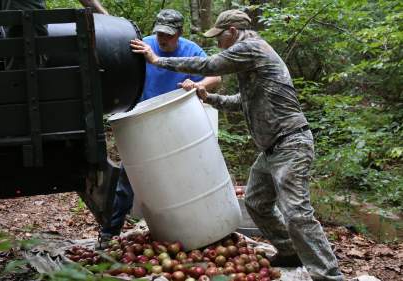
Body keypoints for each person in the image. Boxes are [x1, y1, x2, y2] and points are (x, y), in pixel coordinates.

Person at [130, 9, 344, 281]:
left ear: (232, 31)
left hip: (291, 143)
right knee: (256, 201)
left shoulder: (251, 47)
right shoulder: (251, 63)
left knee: (297, 213)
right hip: (272, 150)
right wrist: (207, 97)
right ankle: (289, 251)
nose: (218, 42)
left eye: (220, 36)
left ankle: (329, 275)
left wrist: (156, 60)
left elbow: (210, 66)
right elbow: (241, 101)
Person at [96, 9, 221, 248]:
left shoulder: (191, 50)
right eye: (160, 33)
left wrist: (197, 84)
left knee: (184, 178)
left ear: (179, 34)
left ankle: (195, 232)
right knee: (128, 178)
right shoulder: (143, 45)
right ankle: (109, 233)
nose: (163, 39)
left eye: (168, 35)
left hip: (177, 122)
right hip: (142, 122)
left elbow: (215, 77)